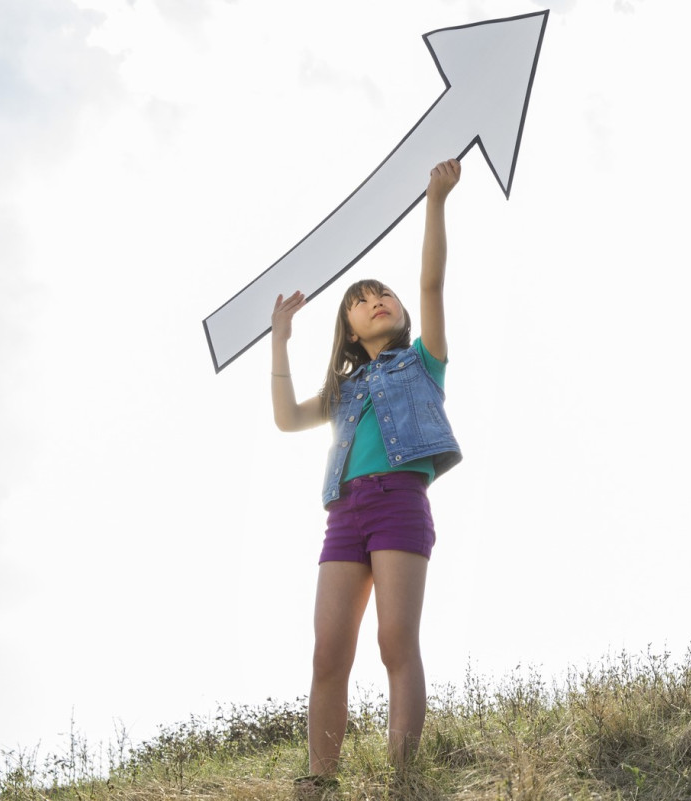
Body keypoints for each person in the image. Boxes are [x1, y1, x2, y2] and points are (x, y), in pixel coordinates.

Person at [270, 159, 463, 784]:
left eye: (381, 294)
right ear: (349, 331)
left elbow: (431, 284)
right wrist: (279, 341)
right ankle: (318, 779)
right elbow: (286, 418)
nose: (373, 301)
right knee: (329, 650)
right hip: (345, 511)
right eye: (358, 301)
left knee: (394, 641)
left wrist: (435, 201)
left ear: (401, 311)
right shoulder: (344, 389)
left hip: (400, 502)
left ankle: (401, 776)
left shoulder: (422, 363)